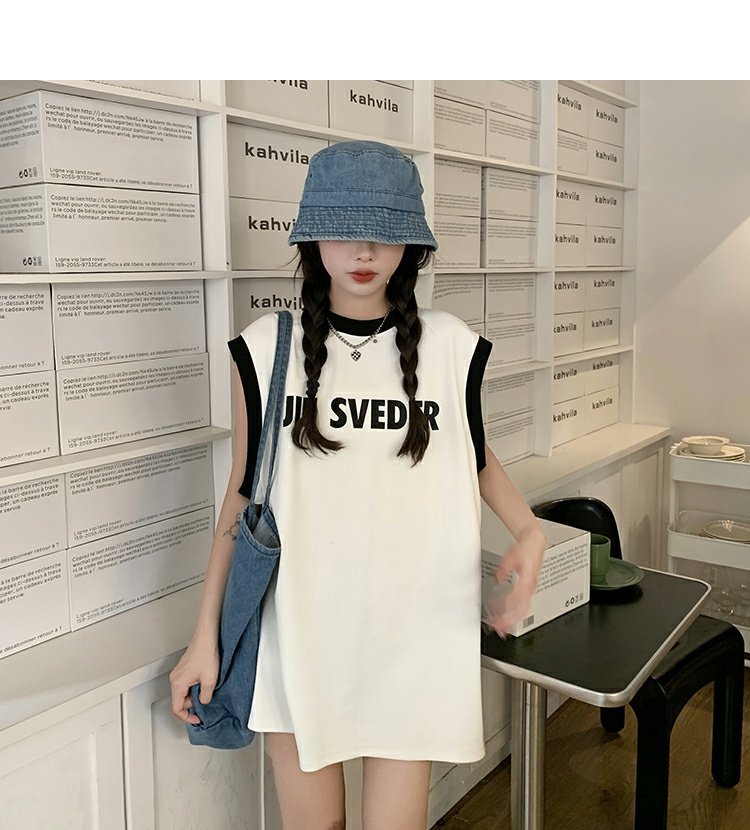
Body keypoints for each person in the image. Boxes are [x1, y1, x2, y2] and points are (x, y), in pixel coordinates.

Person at [170, 140, 546, 830]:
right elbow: (243, 496)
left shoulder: (450, 346)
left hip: (413, 639)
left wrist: (529, 533)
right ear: (313, 237)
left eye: (384, 232)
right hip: (299, 635)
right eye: (343, 230)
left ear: (412, 244)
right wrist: (205, 637)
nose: (363, 251)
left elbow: (474, 456)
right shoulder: (267, 348)